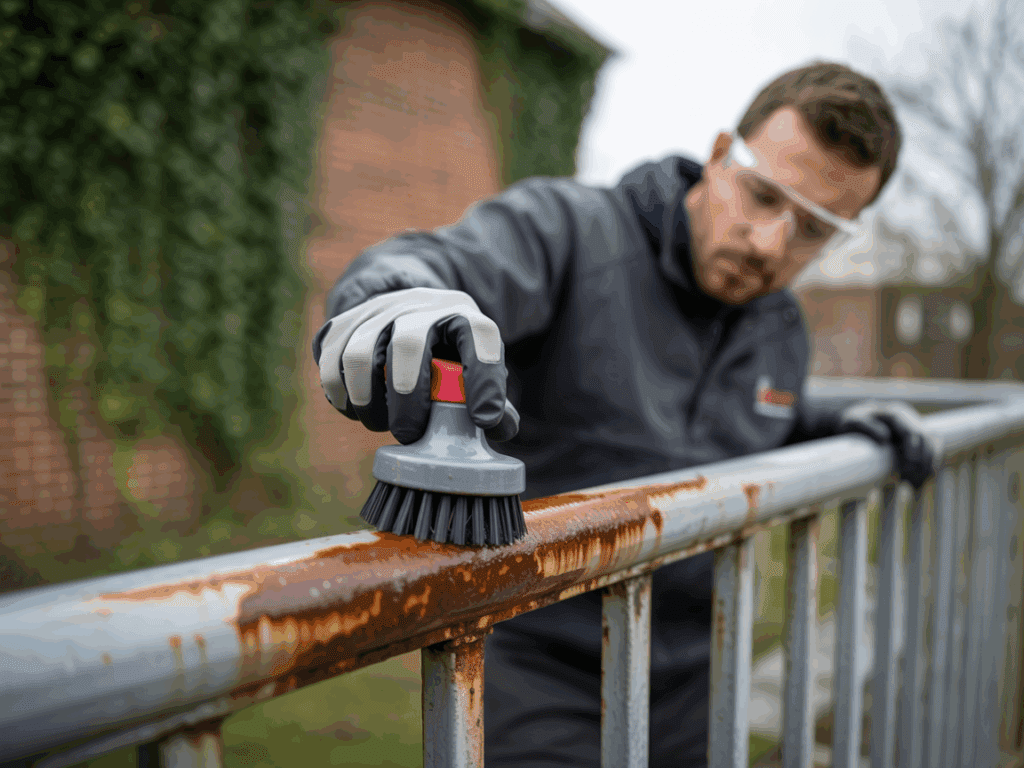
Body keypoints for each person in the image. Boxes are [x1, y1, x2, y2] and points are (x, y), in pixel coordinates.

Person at [313, 61, 938, 767]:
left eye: (814, 229)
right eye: (763, 195)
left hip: (701, 686)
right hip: (541, 672)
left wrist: (847, 428)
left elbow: (759, 422)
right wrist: (398, 295)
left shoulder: (780, 328)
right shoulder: (570, 233)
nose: (770, 242)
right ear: (721, 154)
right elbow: (430, 262)